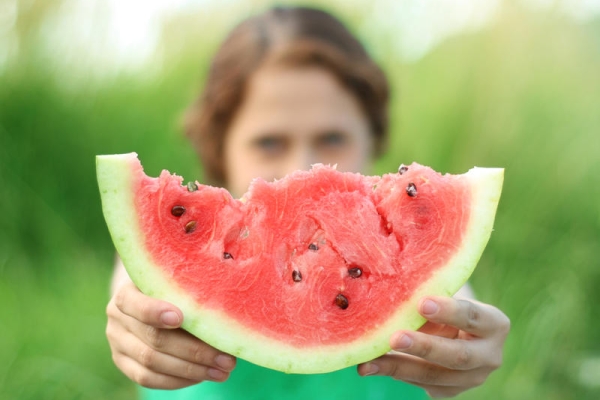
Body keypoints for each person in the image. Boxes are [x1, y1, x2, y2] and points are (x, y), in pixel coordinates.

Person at [106, 6, 510, 399]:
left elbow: (452, 296)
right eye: (269, 142)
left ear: (373, 135)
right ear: (220, 147)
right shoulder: (179, 253)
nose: (302, 169)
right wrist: (134, 329)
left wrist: (465, 342)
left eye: (332, 138)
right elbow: (133, 287)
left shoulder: (401, 252)